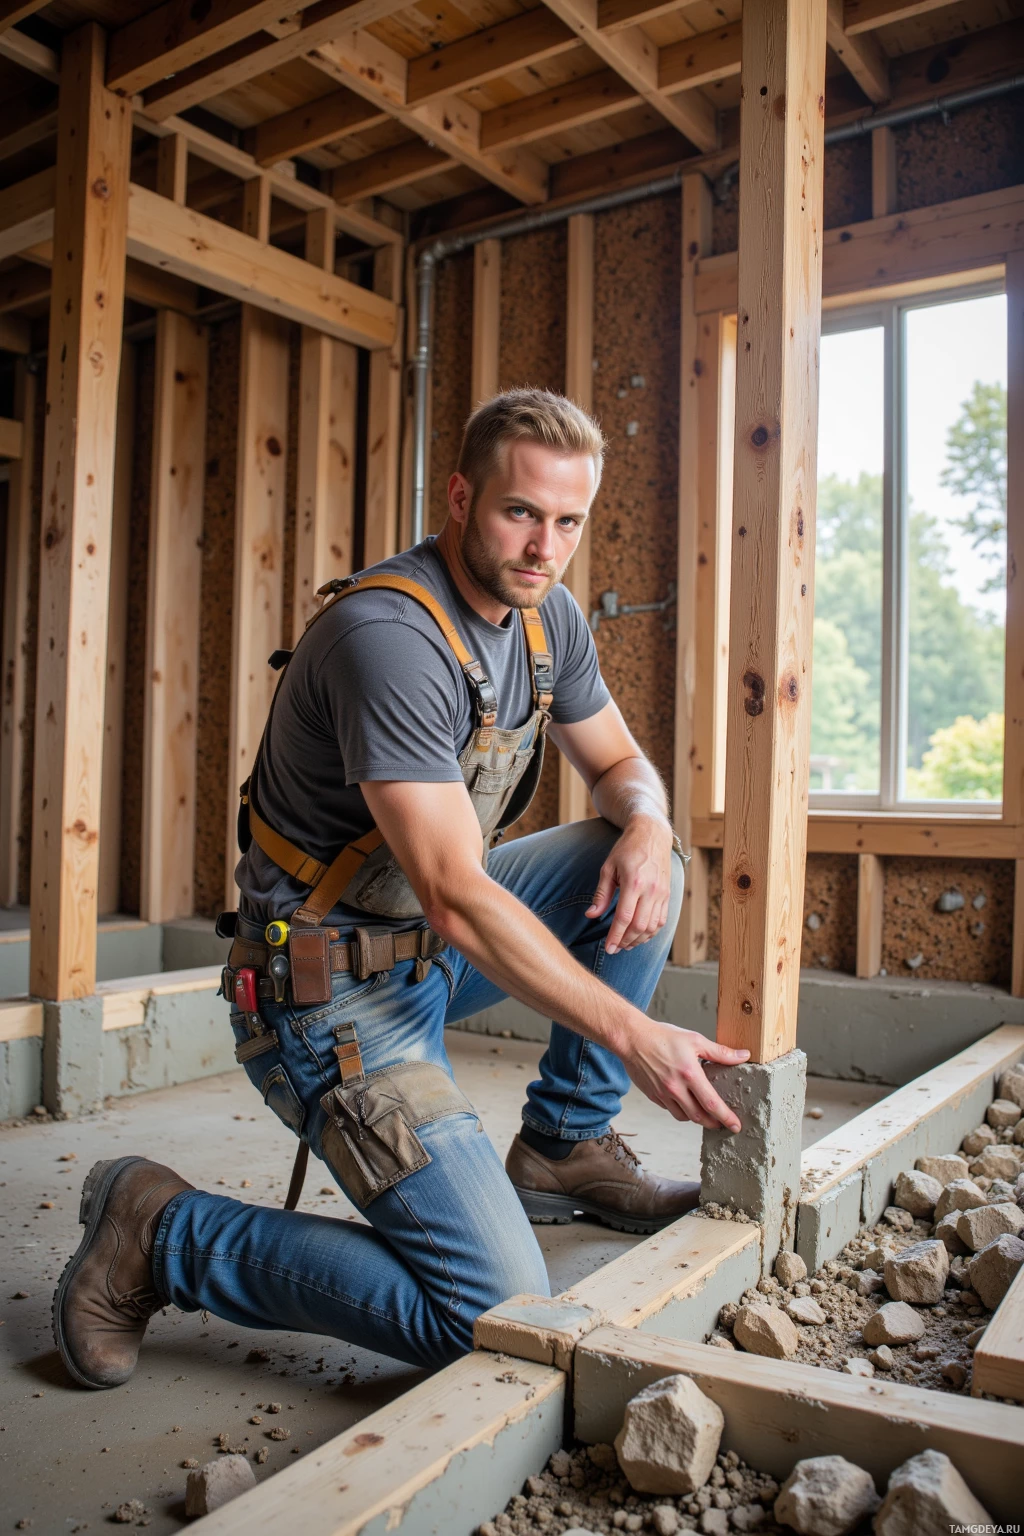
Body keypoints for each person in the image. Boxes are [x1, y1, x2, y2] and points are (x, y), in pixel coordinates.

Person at [53, 389, 748, 1390]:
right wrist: (634, 1035)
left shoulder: (543, 617)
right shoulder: (391, 639)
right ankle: (162, 1233)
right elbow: (458, 894)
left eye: (566, 521)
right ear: (460, 497)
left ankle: (562, 1144)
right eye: (519, 512)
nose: (543, 546)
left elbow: (620, 765)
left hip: (422, 947)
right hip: (330, 990)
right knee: (490, 1314)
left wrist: (645, 820)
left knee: (644, 854)